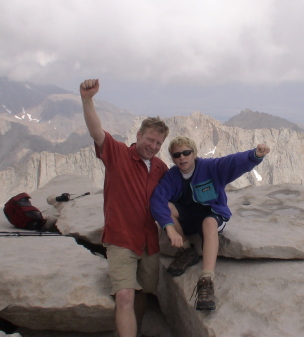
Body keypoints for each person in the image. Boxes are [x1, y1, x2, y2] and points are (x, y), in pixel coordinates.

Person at [80, 79, 169, 337]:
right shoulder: (118, 154)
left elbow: (170, 199)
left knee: (142, 294)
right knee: (125, 296)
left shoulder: (161, 168)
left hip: (148, 242)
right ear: (139, 135)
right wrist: (87, 100)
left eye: (158, 144)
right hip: (121, 239)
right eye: (150, 140)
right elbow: (96, 131)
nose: (153, 147)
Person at [150, 136, 270, 310]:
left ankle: (206, 279)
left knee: (208, 223)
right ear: (173, 158)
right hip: (188, 220)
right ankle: (186, 250)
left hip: (212, 215)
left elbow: (232, 163)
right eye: (177, 155)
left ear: (194, 153)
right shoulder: (172, 176)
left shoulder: (210, 167)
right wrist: (169, 228)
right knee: (167, 208)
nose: (182, 157)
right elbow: (158, 201)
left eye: (186, 153)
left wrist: (254, 155)